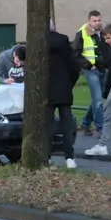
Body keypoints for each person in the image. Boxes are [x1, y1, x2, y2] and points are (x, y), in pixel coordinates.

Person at [85, 23, 111, 157]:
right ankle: (102, 145)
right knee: (108, 117)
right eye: (105, 38)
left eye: (109, 38)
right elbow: (108, 63)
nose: (107, 41)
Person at [48, 20, 81, 168]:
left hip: (45, 89)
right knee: (66, 124)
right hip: (63, 87)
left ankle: (46, 156)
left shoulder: (37, 43)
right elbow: (74, 66)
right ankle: (69, 158)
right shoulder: (64, 42)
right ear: (54, 27)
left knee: (46, 124)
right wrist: (69, 83)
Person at [72, 10, 107, 136]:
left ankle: (86, 123)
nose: (97, 23)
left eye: (99, 20)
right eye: (94, 21)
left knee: (98, 99)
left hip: (103, 69)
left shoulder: (104, 32)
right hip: (91, 70)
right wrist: (87, 65)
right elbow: (75, 53)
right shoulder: (82, 33)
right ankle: (100, 128)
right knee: (98, 100)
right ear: (89, 21)